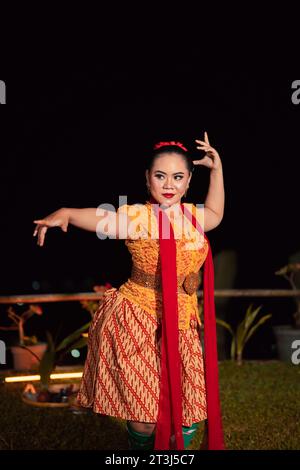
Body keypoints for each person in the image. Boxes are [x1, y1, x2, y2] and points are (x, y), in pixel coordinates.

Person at [33, 132, 225, 451]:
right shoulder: (138, 217)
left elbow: (216, 214)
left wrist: (217, 171)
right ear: (147, 178)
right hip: (138, 321)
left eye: (178, 177)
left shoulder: (193, 217)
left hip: (183, 325)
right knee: (145, 417)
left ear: (190, 180)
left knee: (187, 417)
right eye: (160, 175)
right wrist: (67, 212)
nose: (169, 184)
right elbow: (103, 218)